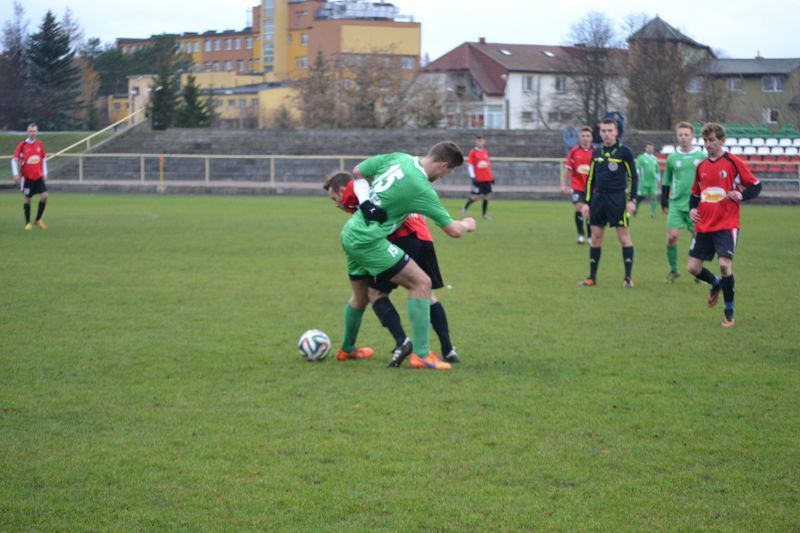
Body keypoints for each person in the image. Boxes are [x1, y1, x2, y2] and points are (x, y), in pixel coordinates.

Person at [343, 141, 476, 370]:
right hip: (369, 241)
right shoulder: (421, 188)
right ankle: (422, 355)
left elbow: (357, 172)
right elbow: (453, 231)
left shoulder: (399, 157)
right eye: (448, 172)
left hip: (351, 232)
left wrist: (366, 203)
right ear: (443, 165)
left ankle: (346, 350)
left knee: (364, 296)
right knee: (421, 283)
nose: (444, 176)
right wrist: (466, 224)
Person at [324, 171, 460, 363]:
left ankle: (405, 344)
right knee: (427, 294)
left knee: (375, 294)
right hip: (422, 236)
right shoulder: (391, 184)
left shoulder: (353, 192)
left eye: (334, 198)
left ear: (342, 190)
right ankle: (448, 350)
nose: (337, 204)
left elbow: (367, 210)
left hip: (399, 239)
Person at [687, 122, 761, 328]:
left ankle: (729, 313)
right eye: (705, 141)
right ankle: (716, 283)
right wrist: (693, 209)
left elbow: (756, 186)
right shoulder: (701, 166)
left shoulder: (733, 162)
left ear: (722, 140)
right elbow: (695, 194)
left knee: (724, 264)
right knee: (693, 268)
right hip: (704, 224)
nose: (708, 144)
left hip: (727, 224)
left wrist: (741, 195)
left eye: (712, 140)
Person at [579, 118, 638, 288]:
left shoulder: (624, 152)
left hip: (617, 199)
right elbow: (590, 179)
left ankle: (628, 278)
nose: (606, 134)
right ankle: (592, 277)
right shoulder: (596, 153)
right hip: (598, 200)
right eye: (603, 131)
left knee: (624, 237)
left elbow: (633, 176)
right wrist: (586, 202)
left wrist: (632, 199)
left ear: (616, 132)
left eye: (609, 131)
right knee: (596, 237)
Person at [662, 122, 707, 283]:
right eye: (680, 135)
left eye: (686, 135)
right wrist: (664, 202)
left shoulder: (701, 157)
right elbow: (666, 181)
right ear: (677, 137)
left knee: (697, 238)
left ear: (692, 136)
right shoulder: (672, 158)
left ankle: (698, 272)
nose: (683, 138)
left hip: (696, 205)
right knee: (672, 237)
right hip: (676, 204)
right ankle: (674, 270)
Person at [11, 123, 49, 231]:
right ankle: (27, 223)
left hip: (38, 176)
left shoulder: (39, 144)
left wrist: (45, 173)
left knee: (45, 196)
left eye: (34, 131)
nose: (32, 133)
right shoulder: (22, 145)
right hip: (27, 178)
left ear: (37, 132)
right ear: (27, 132)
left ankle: (37, 219)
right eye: (30, 131)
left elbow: (43, 159)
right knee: (28, 199)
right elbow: (14, 160)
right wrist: (15, 174)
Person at [560, 126, 594, 244]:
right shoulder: (574, 151)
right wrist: (563, 184)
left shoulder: (596, 152)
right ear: (579, 137)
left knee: (589, 211)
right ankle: (580, 234)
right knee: (579, 208)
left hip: (591, 188)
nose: (585, 138)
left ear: (591, 138)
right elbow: (567, 169)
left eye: (587, 136)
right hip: (577, 186)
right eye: (583, 136)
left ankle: (590, 235)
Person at [461, 135, 494, 220]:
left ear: (484, 142)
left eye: (481, 141)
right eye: (478, 141)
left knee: (487, 196)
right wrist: (473, 177)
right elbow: (470, 165)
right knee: (476, 197)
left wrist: (491, 177)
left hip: (486, 178)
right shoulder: (473, 152)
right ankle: (465, 207)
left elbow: (487, 165)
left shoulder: (485, 152)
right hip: (478, 178)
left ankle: (484, 215)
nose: (480, 143)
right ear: (476, 142)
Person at [634, 142, 660, 218]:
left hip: (653, 182)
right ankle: (635, 210)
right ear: (646, 148)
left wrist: (659, 180)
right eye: (648, 148)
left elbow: (657, 171)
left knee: (654, 196)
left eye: (651, 148)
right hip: (643, 182)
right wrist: (637, 176)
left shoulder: (655, 159)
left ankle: (653, 213)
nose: (650, 149)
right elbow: (637, 168)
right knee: (640, 197)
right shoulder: (641, 157)